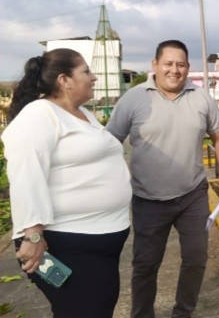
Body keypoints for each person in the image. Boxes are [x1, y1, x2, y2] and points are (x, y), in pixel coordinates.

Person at [106, 39, 219, 318]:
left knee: (196, 259)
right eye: (168, 63)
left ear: (188, 67)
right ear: (155, 65)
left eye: (181, 64)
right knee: (145, 265)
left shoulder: (201, 97)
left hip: (192, 195)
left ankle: (183, 312)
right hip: (148, 199)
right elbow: (110, 142)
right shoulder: (134, 99)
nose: (175, 70)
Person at [2, 48, 131, 318]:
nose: (93, 77)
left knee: (94, 308)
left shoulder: (80, 113)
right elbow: (25, 174)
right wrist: (33, 235)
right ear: (64, 80)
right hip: (63, 243)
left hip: (98, 242)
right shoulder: (39, 114)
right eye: (86, 71)